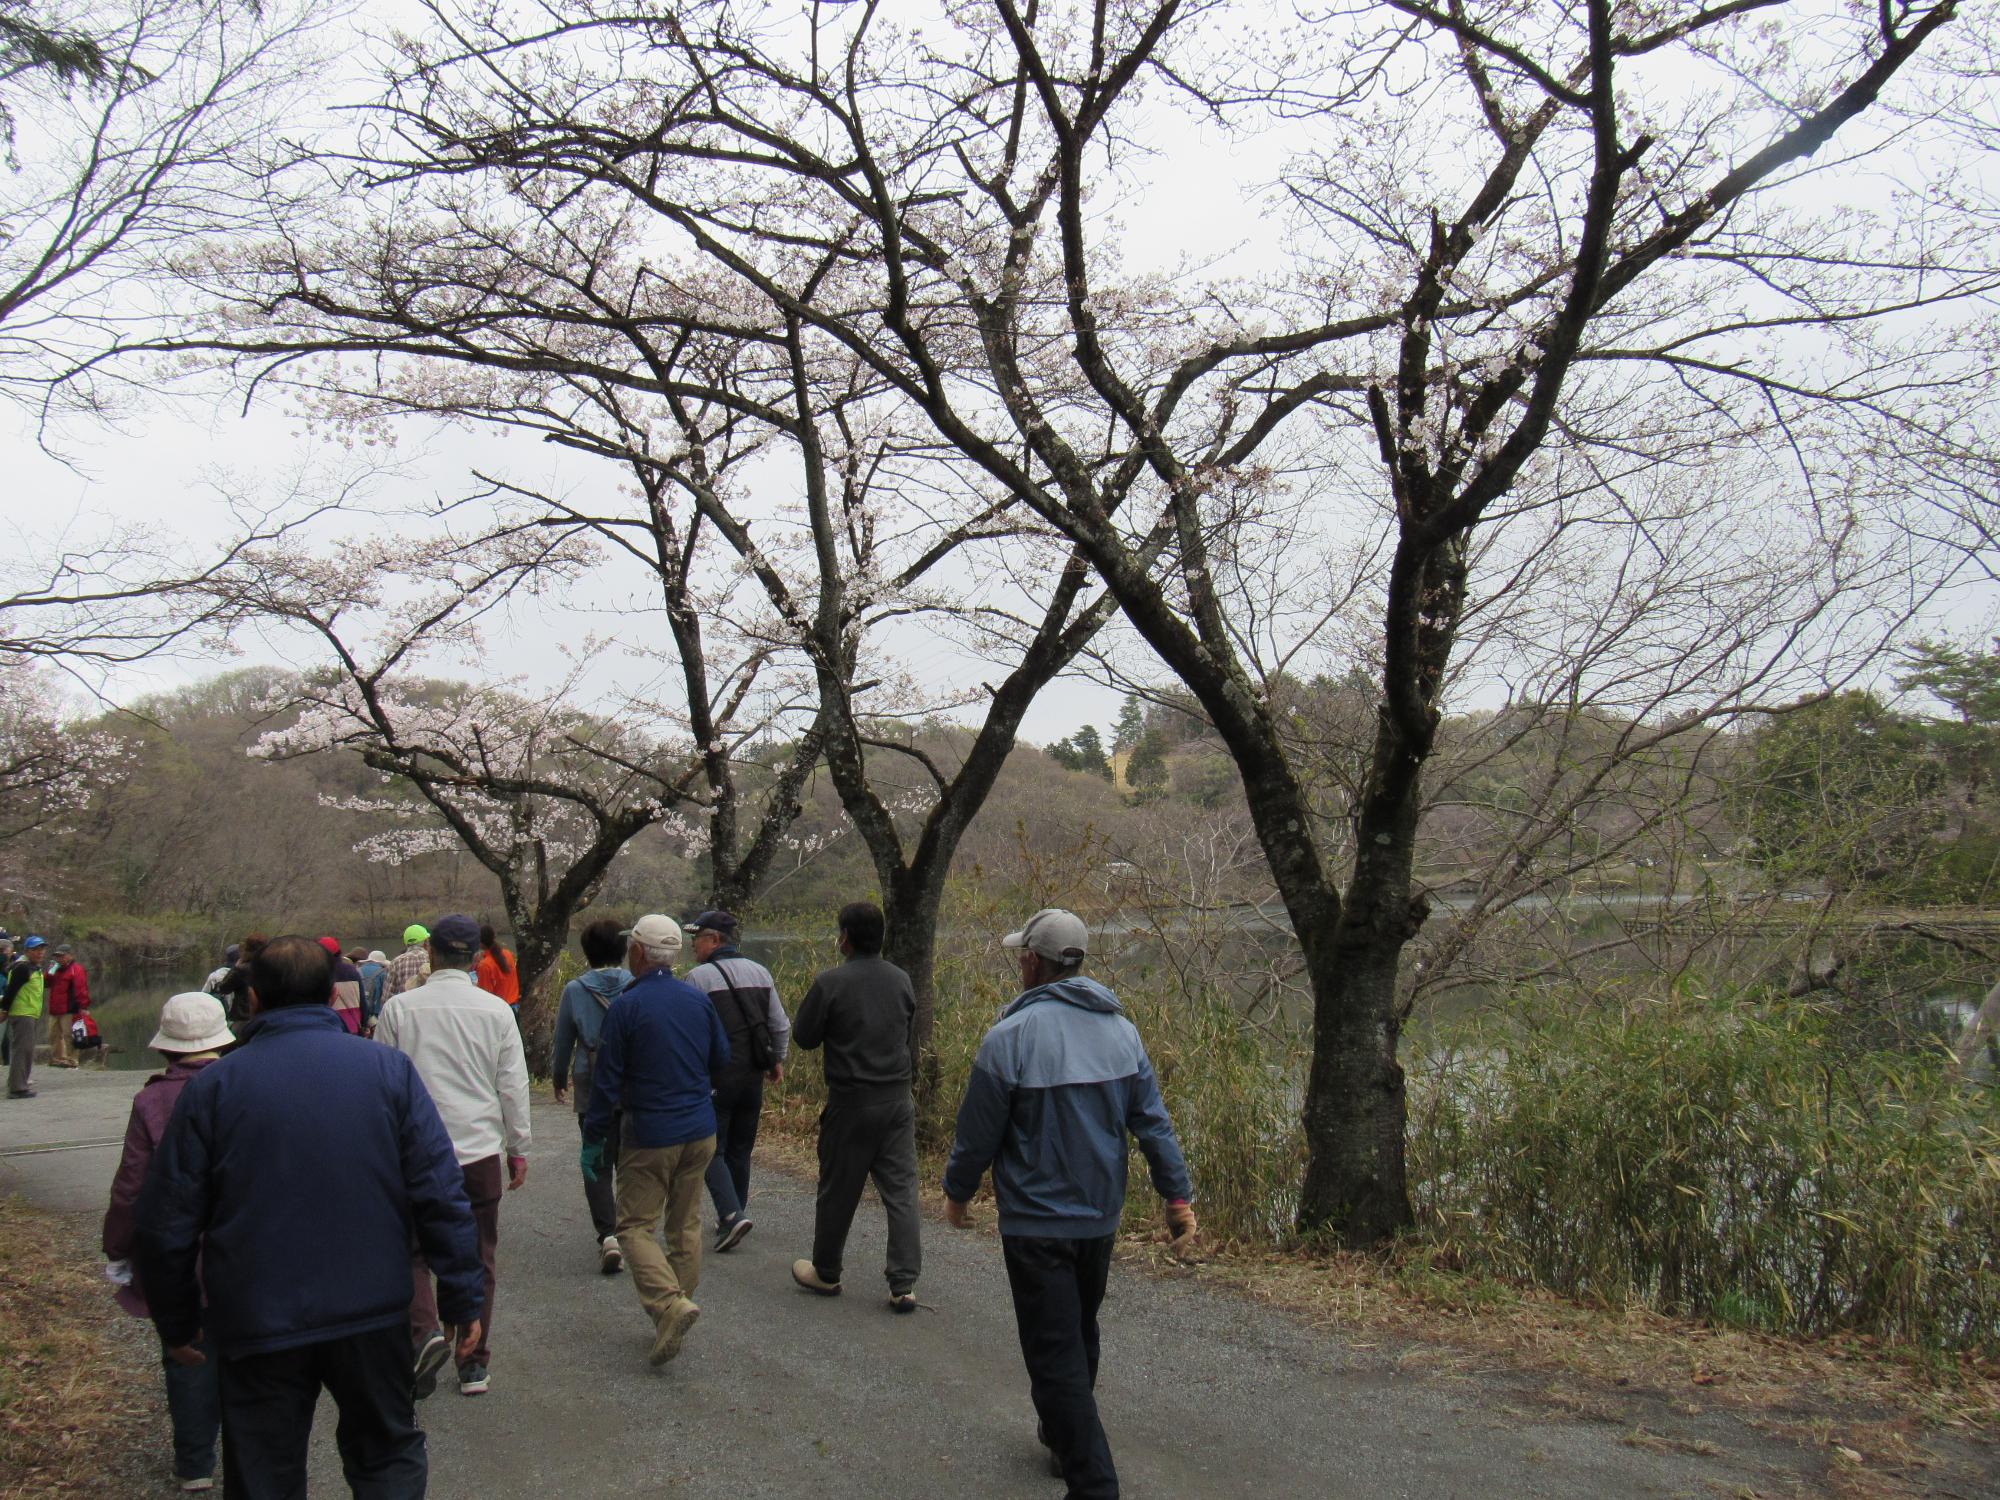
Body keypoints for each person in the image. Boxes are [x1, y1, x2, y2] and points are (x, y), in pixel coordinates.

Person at [131, 935, 484, 1500]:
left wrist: (177, 1322)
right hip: (372, 1310)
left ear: (254, 1001)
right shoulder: (388, 1071)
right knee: (387, 1455)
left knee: (264, 1470)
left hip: (257, 1316)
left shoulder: (213, 1087)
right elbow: (440, 1193)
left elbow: (166, 1221)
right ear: (328, 996)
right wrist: (463, 1297)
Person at [942, 908, 1197, 1499]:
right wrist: (1176, 1198)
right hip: (1098, 1218)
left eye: (1020, 956)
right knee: (1079, 1328)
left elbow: (977, 1133)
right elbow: (1153, 1125)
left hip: (1035, 1223)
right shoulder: (1121, 1032)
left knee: (1052, 1351)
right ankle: (1063, 1438)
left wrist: (957, 1192)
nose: (1018, 964)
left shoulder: (1009, 1037)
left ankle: (1092, 1482)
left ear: (1034, 960)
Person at [373, 913, 531, 1398]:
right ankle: (474, 1362)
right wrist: (518, 1147)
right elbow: (513, 1086)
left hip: (414, 1152)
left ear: (432, 955)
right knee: (479, 1254)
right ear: (477, 958)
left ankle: (423, 1334)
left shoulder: (401, 1010)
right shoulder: (496, 1011)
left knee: (413, 1251)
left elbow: (382, 1086)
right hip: (477, 1150)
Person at [581, 914, 729, 1367]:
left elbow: (606, 1082)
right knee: (685, 1225)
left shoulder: (628, 1006)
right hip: (700, 1129)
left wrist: (593, 1140)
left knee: (632, 1225)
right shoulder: (696, 999)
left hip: (651, 1133)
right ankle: (674, 1310)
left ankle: (668, 1305)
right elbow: (721, 1058)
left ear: (640, 953)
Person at [102, 993, 235, 1493]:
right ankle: (247, 1454)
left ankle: (196, 1462)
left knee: (187, 1351)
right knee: (248, 1353)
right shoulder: (246, 1085)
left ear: (166, 1048)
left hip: (179, 1253)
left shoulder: (152, 1101)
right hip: (245, 1249)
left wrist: (118, 1249)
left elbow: (131, 1187)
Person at [788, 901, 921, 1309]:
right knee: (901, 1192)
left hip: (852, 1102)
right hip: (897, 1101)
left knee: (838, 1190)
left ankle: (826, 1272)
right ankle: (903, 1284)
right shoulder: (901, 979)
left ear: (844, 937)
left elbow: (804, 1037)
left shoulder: (831, 982)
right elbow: (909, 1040)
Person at [681, 909, 789, 1251]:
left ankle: (730, 1214)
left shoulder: (698, 978)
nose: (693, 946)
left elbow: (690, 1033)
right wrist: (776, 1060)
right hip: (752, 1075)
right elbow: (781, 1025)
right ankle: (736, 1212)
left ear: (715, 940)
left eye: (696, 939)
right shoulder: (760, 971)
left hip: (717, 1076)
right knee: (741, 1149)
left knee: (710, 1147)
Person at [551, 917, 632, 1274]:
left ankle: (608, 1235)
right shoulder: (636, 984)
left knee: (596, 1156)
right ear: (624, 949)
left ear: (586, 953)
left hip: (590, 1079)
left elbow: (563, 1038)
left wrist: (558, 1076)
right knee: (630, 1157)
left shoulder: (575, 989)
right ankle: (633, 1230)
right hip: (631, 1080)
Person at [4, 935, 47, 1098]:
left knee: (26, 1050)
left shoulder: (34, 968)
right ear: (28, 951)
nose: (40, 953)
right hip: (22, 1013)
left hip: (29, 1013)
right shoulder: (23, 968)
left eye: (42, 949)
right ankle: (17, 1088)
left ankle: (18, 1082)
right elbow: (11, 991)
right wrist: (4, 1010)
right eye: (36, 950)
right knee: (22, 1050)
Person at [45, 941, 89, 1067]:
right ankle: (58, 1058)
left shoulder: (76, 969)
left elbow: (81, 989)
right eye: (57, 956)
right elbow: (45, 983)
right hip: (55, 1008)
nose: (59, 958)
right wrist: (50, 971)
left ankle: (72, 1059)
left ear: (70, 956)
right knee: (53, 1035)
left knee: (70, 1035)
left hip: (70, 1009)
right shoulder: (55, 969)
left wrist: (83, 1006)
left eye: (62, 956)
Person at [322, 936, 367, 1034]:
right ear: (339, 952)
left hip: (329, 1028)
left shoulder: (318, 972)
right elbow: (362, 1002)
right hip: (353, 1027)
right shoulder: (352, 971)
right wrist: (364, 1024)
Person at [474, 924, 520, 1011]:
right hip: (514, 1007)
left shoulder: (484, 965)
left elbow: (485, 996)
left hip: (499, 1011)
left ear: (480, 943)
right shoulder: (508, 954)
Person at [384, 924, 429, 1001]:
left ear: (406, 943)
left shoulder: (395, 962)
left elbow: (387, 997)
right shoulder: (432, 959)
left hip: (403, 1009)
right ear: (425, 941)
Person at [357, 949, 390, 1029]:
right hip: (375, 1014)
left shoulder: (357, 971)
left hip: (359, 1012)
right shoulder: (383, 973)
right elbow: (385, 994)